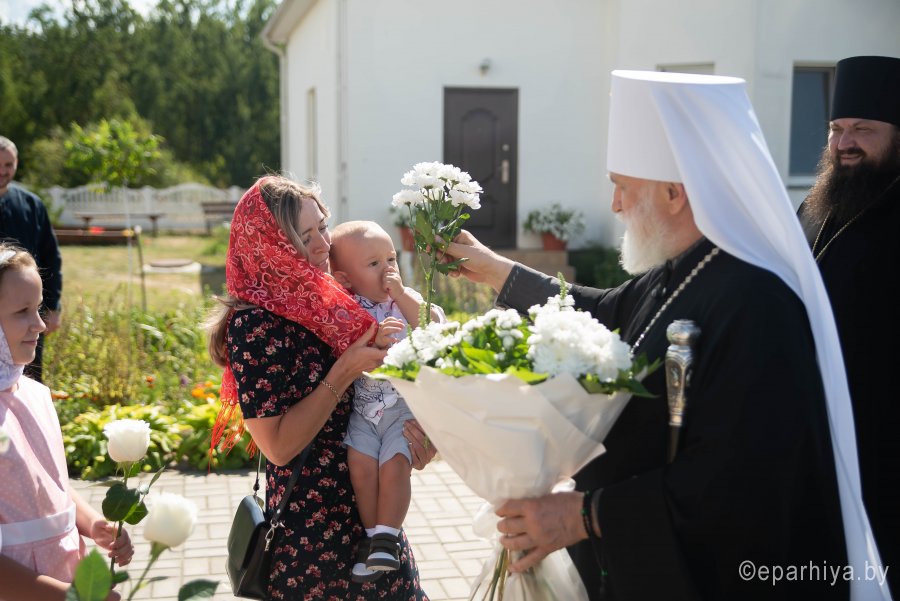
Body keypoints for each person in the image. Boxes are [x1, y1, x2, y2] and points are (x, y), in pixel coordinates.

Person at [442, 71, 888, 600]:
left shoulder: (757, 303)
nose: (615, 205)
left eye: (623, 186)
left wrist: (583, 515)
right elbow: (605, 313)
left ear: (674, 194)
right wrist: (497, 271)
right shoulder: (684, 266)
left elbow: (737, 479)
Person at [206, 177, 434, 599]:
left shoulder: (335, 300)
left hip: (377, 529)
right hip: (313, 543)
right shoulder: (255, 324)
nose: (323, 245)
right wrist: (345, 369)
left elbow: (394, 384)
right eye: (304, 236)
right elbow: (277, 447)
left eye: (323, 227)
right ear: (270, 246)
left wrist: (419, 436)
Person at [797, 55, 900, 596]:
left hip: (883, 433)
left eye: (863, 129)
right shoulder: (815, 206)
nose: (845, 143)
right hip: (815, 426)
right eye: (837, 129)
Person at [0, 243, 133, 601]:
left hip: (66, 572)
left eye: (39, 307)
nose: (41, 324)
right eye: (22, 311)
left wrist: (92, 523)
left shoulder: (33, 394)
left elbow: (50, 486)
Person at [329, 220, 444, 581]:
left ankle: (388, 536)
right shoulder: (348, 308)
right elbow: (343, 349)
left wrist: (404, 295)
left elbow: (434, 327)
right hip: (364, 412)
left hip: (402, 411)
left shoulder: (406, 301)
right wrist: (373, 340)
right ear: (345, 279)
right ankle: (372, 538)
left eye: (391, 259)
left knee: (395, 465)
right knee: (360, 467)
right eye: (374, 263)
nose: (388, 269)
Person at [0, 136, 63, 383]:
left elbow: (51, 257)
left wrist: (52, 307)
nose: (2, 171)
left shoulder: (31, 205)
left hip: (26, 309)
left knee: (29, 378)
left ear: (16, 164)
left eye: (8, 165)